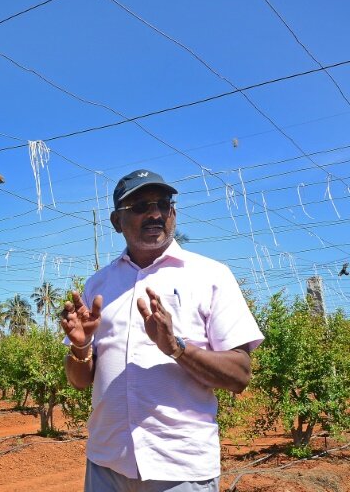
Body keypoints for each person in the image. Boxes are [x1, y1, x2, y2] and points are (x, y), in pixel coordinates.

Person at [60, 169, 264, 492]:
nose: (155, 213)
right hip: (106, 464)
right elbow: (78, 381)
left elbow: (240, 375)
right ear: (116, 221)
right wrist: (81, 348)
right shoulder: (98, 286)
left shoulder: (211, 276)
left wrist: (176, 348)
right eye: (140, 206)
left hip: (180, 469)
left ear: (173, 212)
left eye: (163, 203)